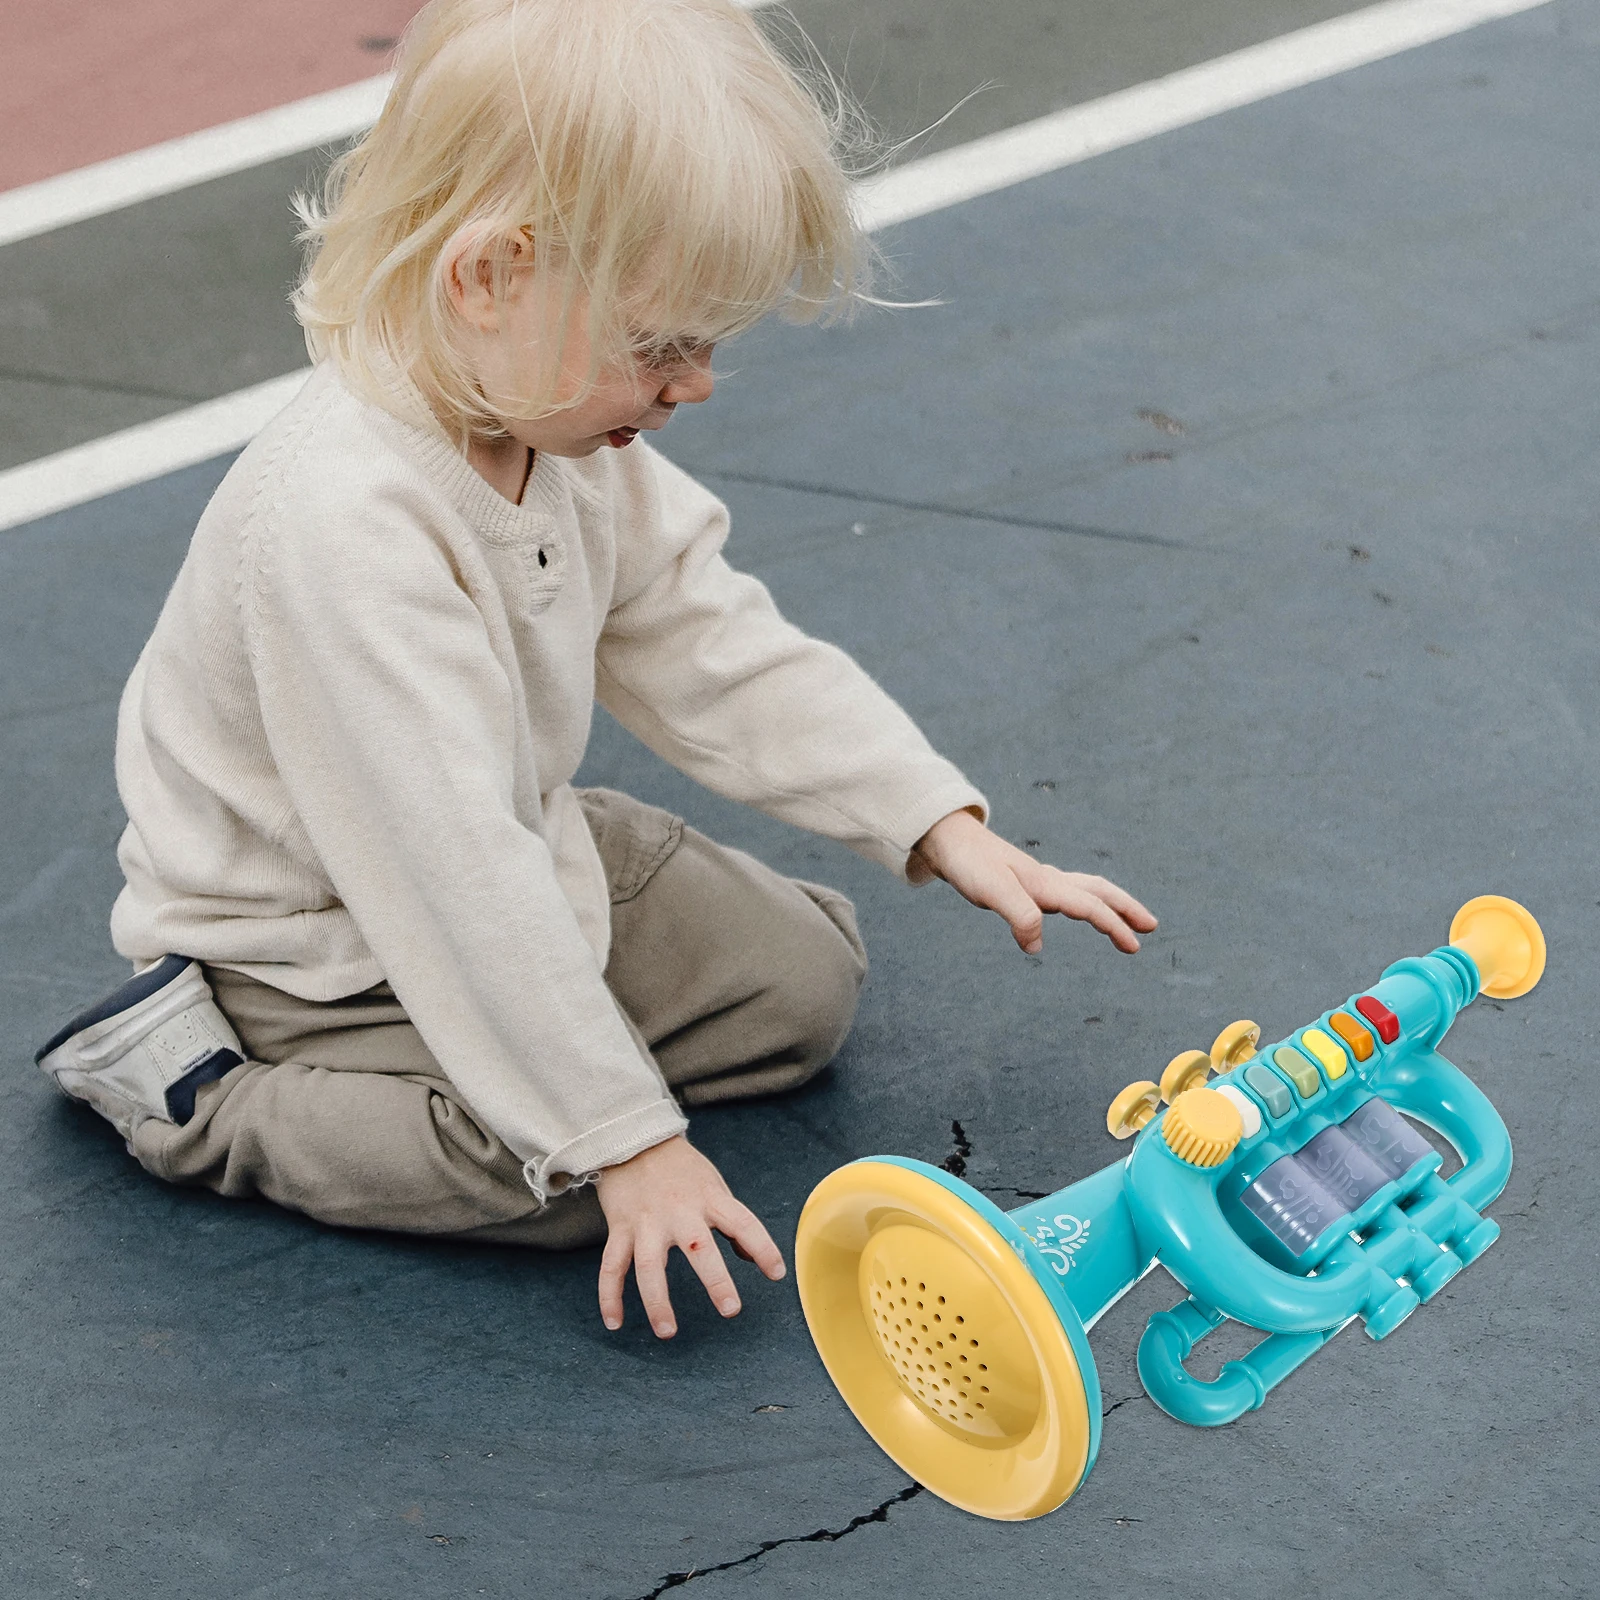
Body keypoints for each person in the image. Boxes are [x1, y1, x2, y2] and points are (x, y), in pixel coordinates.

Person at [36, 0, 1155, 1340]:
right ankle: (203, 1096)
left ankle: (555, 1042)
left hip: (508, 842)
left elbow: (703, 634)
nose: (695, 386)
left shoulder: (555, 429)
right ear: (492, 278)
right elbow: (445, 869)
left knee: (803, 989)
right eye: (662, 344)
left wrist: (930, 818)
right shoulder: (342, 529)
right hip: (319, 946)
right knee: (559, 1174)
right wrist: (621, 1142)